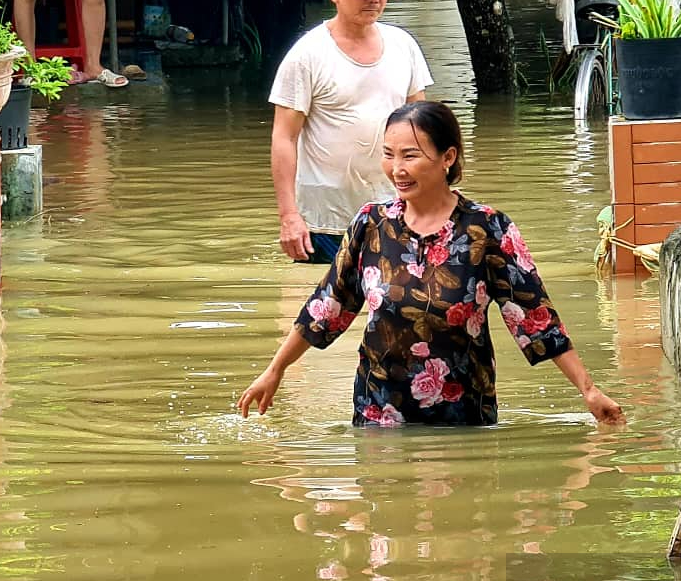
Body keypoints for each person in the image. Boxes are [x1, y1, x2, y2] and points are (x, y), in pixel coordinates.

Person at [239, 101, 625, 428]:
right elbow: (328, 306)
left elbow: (535, 316)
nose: (397, 169)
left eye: (410, 155)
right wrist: (275, 370)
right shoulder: (371, 224)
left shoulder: (487, 229)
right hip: (379, 415)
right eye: (389, 155)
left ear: (448, 158)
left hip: (463, 419)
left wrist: (588, 390)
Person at [269, 0, 430, 265]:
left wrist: (431, 201)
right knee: (321, 308)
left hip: (394, 209)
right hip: (324, 219)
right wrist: (289, 216)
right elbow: (284, 137)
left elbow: (422, 129)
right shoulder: (307, 55)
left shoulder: (404, 46)